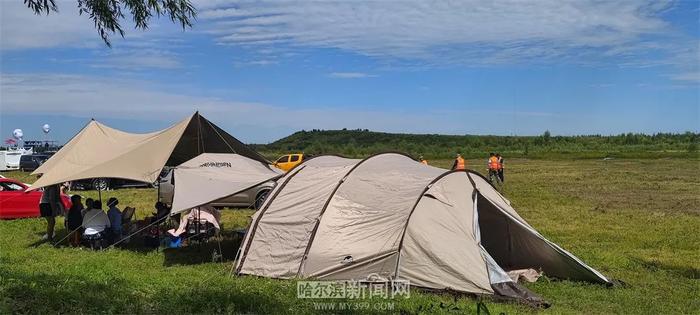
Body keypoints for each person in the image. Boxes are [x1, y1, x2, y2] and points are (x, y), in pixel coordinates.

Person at [38, 176, 64, 241]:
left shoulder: (57, 186)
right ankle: (49, 238)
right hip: (45, 204)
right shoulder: (53, 186)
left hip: (46, 204)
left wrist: (63, 206)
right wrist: (53, 210)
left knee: (51, 222)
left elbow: (58, 197)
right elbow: (52, 199)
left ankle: (50, 235)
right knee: (51, 221)